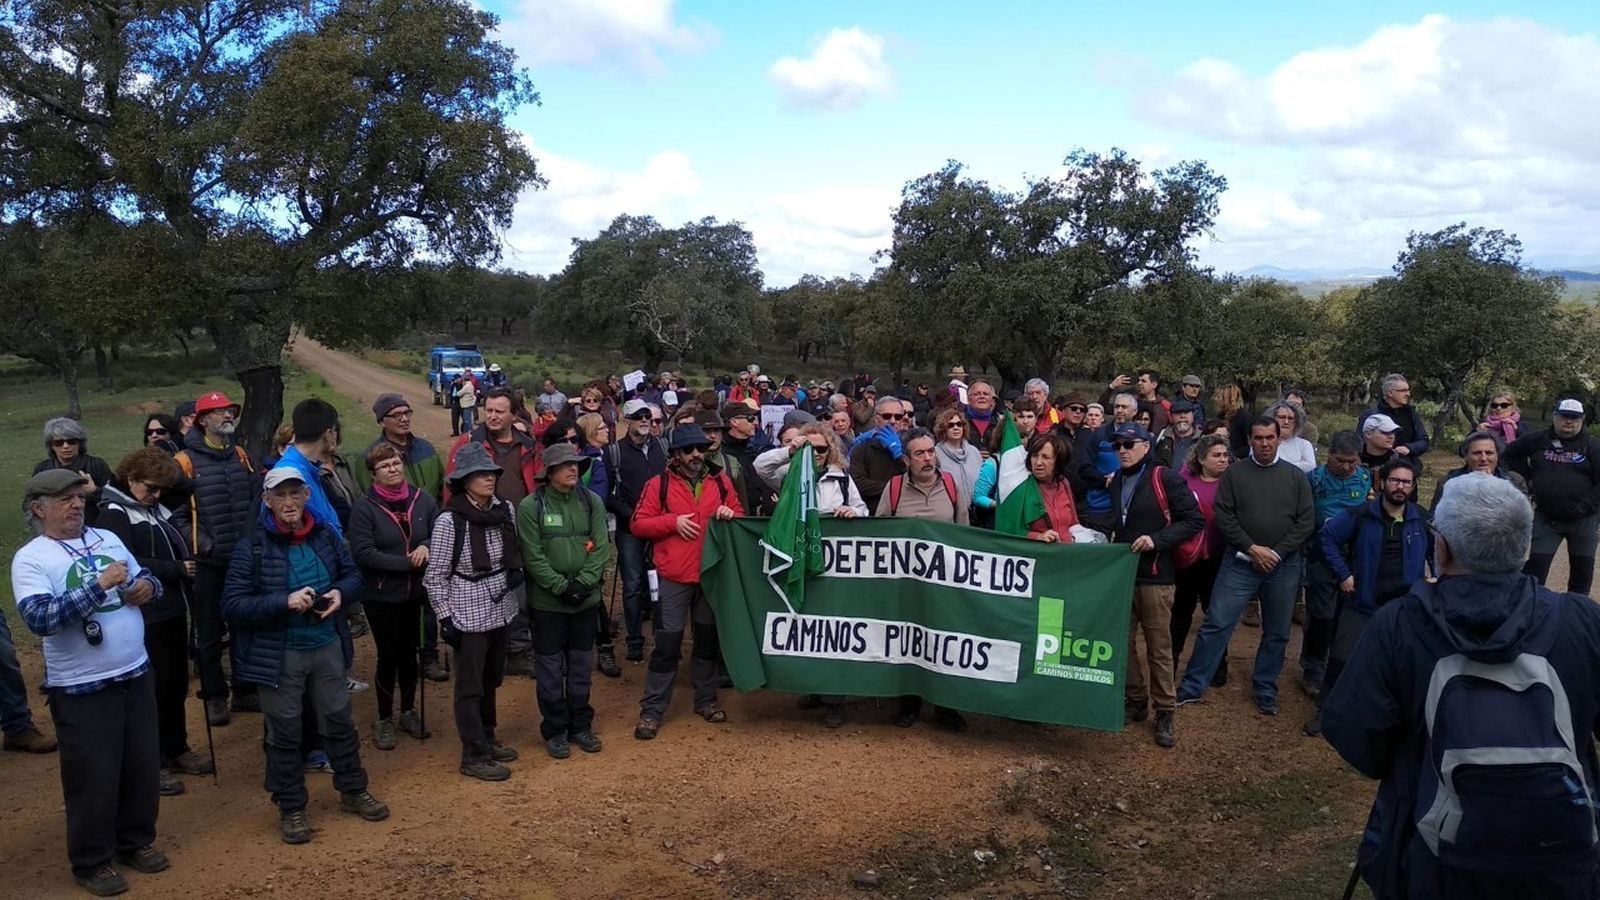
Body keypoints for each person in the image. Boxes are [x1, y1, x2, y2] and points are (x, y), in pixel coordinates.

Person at [1321, 474, 1600, 900]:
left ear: (1443, 547)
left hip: (1435, 858)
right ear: (1525, 547)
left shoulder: (1399, 623)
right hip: (1563, 859)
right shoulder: (1581, 621)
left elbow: (1358, 739)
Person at [14, 469, 168, 895]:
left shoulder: (108, 539)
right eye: (63, 499)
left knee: (140, 765)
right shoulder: (31, 558)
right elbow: (41, 618)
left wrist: (145, 589)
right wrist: (99, 586)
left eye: (78, 498)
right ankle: (91, 861)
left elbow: (149, 582)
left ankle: (135, 842)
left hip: (135, 671)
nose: (76, 505)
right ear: (38, 508)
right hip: (81, 686)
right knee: (93, 776)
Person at [220, 467, 387, 844]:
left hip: (326, 645)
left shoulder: (326, 536)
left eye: (295, 493)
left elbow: (353, 576)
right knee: (285, 732)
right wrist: (284, 601)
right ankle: (292, 808)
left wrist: (342, 594)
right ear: (267, 501)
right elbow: (231, 605)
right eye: (280, 496)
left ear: (307, 496)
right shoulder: (253, 547)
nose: (289, 502)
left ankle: (353, 790)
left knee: (339, 722)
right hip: (279, 655)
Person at [1177, 417, 1314, 715]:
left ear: (1279, 439)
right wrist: (1252, 548)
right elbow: (1224, 516)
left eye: (1269, 437)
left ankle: (1265, 688)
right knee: (1216, 623)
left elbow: (1305, 521)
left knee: (1277, 630)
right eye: (1258, 438)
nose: (1264, 443)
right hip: (1240, 561)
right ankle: (1193, 685)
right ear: (1250, 440)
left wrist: (1276, 553)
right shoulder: (1236, 474)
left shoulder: (1295, 476)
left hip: (1284, 564)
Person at [97, 449, 212, 796]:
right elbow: (125, 561)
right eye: (150, 487)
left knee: (176, 684)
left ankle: (177, 749)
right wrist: (175, 569)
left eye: (162, 488)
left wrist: (165, 476)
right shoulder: (113, 513)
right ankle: (154, 762)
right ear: (129, 480)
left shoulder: (152, 506)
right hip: (144, 613)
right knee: (153, 691)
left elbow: (187, 486)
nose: (158, 494)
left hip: (173, 607)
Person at [1304, 459, 1431, 739]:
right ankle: (1326, 713)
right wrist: (1342, 573)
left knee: (1400, 664)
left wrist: (1436, 579)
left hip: (1405, 607)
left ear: (1413, 486)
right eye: (1395, 481)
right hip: (1362, 602)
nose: (1400, 487)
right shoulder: (1360, 515)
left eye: (1406, 482)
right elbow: (1327, 537)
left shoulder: (1420, 518)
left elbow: (1439, 551)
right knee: (1341, 660)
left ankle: (1390, 720)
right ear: (1383, 483)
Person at [632, 425, 743, 740]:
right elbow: (638, 524)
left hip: (709, 575)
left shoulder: (720, 481)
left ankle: (706, 701)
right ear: (676, 455)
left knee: (707, 642)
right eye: (689, 450)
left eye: (700, 448)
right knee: (667, 645)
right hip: (674, 577)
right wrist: (672, 522)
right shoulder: (659, 485)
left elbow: (738, 512)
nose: (697, 454)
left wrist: (729, 512)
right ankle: (652, 711)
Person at [423, 444, 525, 782]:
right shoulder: (449, 521)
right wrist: (445, 617)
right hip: (467, 606)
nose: (489, 479)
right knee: (470, 685)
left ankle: (488, 735)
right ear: (464, 481)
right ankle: (473, 753)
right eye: (481, 474)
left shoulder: (504, 510)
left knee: (492, 677)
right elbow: (435, 574)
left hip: (501, 603)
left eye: (492, 473)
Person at [1107, 423, 1203, 748]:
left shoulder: (1165, 478)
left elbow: (1193, 520)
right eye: (1117, 444)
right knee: (1121, 643)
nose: (1122, 449)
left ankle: (1165, 711)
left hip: (1157, 577)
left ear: (1146, 446)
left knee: (1159, 647)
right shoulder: (1117, 480)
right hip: (1124, 576)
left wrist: (1157, 540)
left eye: (1129, 444)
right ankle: (1136, 699)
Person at [517, 443, 610, 760]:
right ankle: (555, 729)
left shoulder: (591, 500)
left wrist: (583, 584)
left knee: (582, 668)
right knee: (550, 670)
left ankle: (580, 726)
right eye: (566, 465)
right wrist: (560, 587)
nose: (574, 470)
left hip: (585, 603)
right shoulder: (532, 507)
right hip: (548, 605)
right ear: (550, 472)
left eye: (576, 465)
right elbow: (532, 555)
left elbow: (601, 546)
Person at [173, 391, 259, 725]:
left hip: (241, 559)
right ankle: (214, 696)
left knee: (244, 627)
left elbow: (255, 498)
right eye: (218, 411)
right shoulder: (183, 462)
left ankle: (245, 690)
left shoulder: (239, 454)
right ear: (202, 420)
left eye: (229, 411)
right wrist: (203, 544)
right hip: (208, 562)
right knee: (208, 633)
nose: (227, 416)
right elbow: (174, 516)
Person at [348, 443, 438, 751]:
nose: (393, 468)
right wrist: (405, 563)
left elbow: (436, 531)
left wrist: (425, 546)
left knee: (410, 652)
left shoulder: (422, 499)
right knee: (388, 654)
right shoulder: (364, 507)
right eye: (385, 465)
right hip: (381, 594)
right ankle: (384, 717)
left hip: (415, 591)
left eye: (396, 462)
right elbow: (362, 552)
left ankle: (408, 711)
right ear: (373, 474)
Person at [878, 428, 969, 730]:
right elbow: (878, 536)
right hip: (906, 587)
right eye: (920, 453)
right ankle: (909, 703)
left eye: (931, 451)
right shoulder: (893, 489)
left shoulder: (953, 486)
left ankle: (946, 706)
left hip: (945, 586)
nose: (928, 458)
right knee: (908, 643)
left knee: (946, 643)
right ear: (906, 459)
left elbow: (965, 536)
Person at [446, 387, 541, 673]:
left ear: (514, 414)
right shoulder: (468, 443)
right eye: (488, 410)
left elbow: (538, 483)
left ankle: (517, 649)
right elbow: (450, 487)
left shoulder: (528, 446)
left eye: (500, 411)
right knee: (483, 586)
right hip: (477, 526)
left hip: (519, 527)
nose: (493, 416)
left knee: (519, 588)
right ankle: (486, 650)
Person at [356, 394, 448, 683]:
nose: (404, 418)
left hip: (427, 536)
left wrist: (434, 539)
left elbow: (442, 493)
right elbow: (368, 500)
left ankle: (429, 656)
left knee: (430, 603)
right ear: (382, 420)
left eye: (407, 412)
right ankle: (404, 661)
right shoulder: (371, 456)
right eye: (396, 414)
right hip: (393, 545)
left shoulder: (427, 449)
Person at [1300, 431, 1373, 700]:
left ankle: (1339, 666)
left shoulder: (1365, 478)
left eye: (1352, 461)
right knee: (1321, 616)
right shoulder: (1315, 480)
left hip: (1354, 554)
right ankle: (1312, 669)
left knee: (1347, 616)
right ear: (1329, 455)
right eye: (1341, 460)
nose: (1346, 467)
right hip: (1320, 554)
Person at [1505, 398, 1600, 597]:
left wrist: (1584, 507)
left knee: (1581, 574)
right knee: (1535, 570)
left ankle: (1575, 617)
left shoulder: (1592, 446)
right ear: (1554, 417)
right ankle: (1531, 612)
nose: (1569, 422)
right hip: (1547, 518)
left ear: (1582, 420)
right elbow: (1510, 454)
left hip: (1583, 521)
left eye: (1575, 418)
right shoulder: (1538, 439)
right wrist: (1529, 477)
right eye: (1564, 416)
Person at [603, 400, 668, 666]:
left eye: (648, 417)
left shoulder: (663, 447)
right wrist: (634, 515)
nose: (645, 421)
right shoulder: (613, 452)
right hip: (630, 528)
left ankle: (663, 640)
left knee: (661, 584)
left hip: (661, 527)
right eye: (638, 416)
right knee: (632, 585)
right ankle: (634, 641)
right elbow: (607, 495)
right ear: (626, 420)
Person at [1170, 435, 1232, 690]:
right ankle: (1170, 666)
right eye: (1217, 455)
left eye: (1225, 455)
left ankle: (1217, 667)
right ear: (1202, 458)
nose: (1223, 460)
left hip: (1217, 557)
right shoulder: (1184, 480)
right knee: (1181, 613)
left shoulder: (1232, 482)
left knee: (1215, 613)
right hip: (1186, 558)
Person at [35, 417, 115, 528]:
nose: (66, 446)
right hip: (55, 530)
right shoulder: (43, 469)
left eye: (71, 441)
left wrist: (95, 491)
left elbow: (115, 500)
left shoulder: (96, 465)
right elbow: (31, 504)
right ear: (51, 446)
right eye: (59, 442)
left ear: (80, 443)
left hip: (94, 527)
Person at [1430, 431, 1529, 511]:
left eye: (1489, 453)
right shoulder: (1448, 481)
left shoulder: (1515, 481)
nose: (1483, 458)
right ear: (1466, 456)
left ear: (1497, 456)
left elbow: (1523, 519)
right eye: (1477, 453)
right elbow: (1434, 519)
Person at [851, 395, 912, 514]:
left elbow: (918, 478)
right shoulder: (862, 447)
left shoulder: (911, 445)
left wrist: (900, 456)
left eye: (898, 417)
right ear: (876, 419)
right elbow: (857, 483)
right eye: (887, 416)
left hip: (904, 511)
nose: (893, 421)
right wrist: (894, 487)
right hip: (873, 513)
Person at [1359, 373, 1429, 461]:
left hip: (1406, 466)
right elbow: (1359, 441)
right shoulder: (1371, 415)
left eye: (1408, 390)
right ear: (1390, 393)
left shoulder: (1410, 414)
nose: (1408, 394)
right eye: (1403, 390)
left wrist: (1409, 448)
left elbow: (1423, 441)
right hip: (1375, 465)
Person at [931, 408, 981, 514]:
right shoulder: (935, 454)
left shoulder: (974, 452)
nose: (956, 428)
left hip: (978, 509)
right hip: (950, 509)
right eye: (950, 425)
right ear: (943, 429)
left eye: (959, 424)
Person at [1267, 401, 1316, 473]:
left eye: (1290, 418)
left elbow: (1310, 466)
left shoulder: (1304, 444)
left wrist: (1277, 466)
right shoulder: (1264, 441)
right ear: (1273, 419)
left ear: (1297, 422)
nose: (1286, 422)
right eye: (1282, 417)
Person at [1153, 400, 1200, 470]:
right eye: (1178, 413)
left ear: (1193, 415)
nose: (1182, 416)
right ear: (1171, 416)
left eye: (1186, 412)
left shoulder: (1202, 438)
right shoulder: (1160, 437)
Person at [1211, 385, 1252, 458]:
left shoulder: (1244, 418)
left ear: (1227, 399)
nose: (1215, 399)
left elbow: (1250, 446)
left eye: (1218, 396)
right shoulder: (1218, 417)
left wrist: (1231, 455)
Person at [964, 379, 1004, 444]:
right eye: (976, 394)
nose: (982, 397)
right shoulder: (958, 422)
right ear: (968, 399)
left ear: (991, 399)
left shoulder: (1000, 423)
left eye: (986, 394)